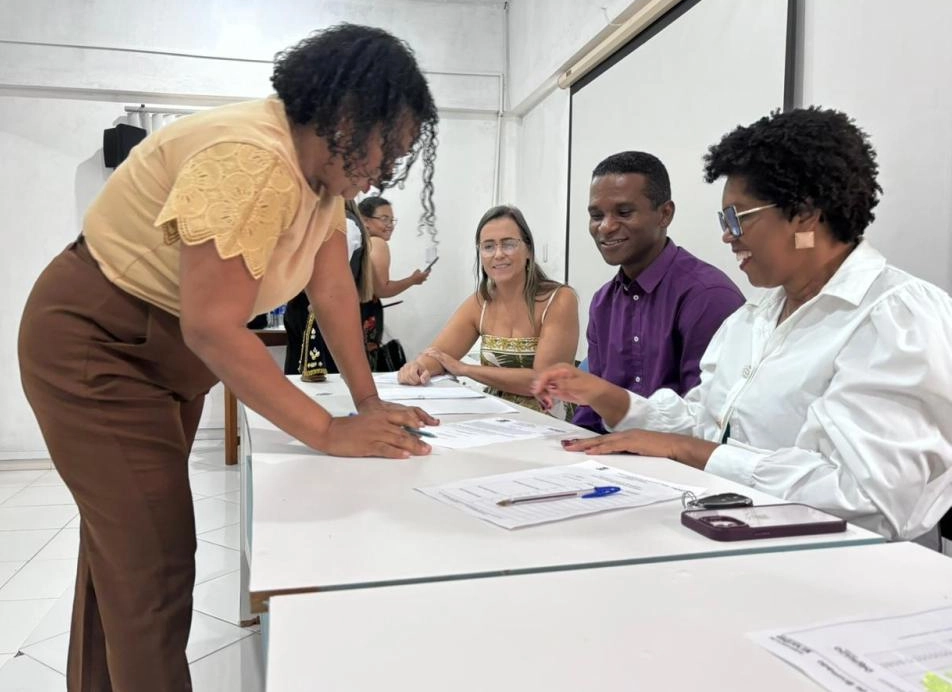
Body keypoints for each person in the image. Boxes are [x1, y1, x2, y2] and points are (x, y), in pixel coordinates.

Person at [17, 24, 440, 692]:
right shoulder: (252, 158)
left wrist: (366, 401)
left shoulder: (320, 181)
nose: (386, 167)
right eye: (386, 143)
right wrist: (328, 432)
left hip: (163, 357)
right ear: (344, 116)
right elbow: (213, 324)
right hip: (99, 342)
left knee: (123, 560)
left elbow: (332, 290)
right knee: (152, 566)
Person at [533, 107, 952, 544]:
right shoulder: (753, 318)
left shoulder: (895, 317)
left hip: (857, 570)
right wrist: (610, 399)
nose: (727, 236)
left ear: (805, 214)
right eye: (723, 221)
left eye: (737, 218)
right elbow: (708, 420)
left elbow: (871, 500)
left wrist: (694, 453)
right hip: (741, 539)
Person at [573, 151, 744, 433]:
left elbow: (707, 424)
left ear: (665, 214)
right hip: (606, 461)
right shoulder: (603, 302)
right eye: (596, 215)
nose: (605, 226)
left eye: (624, 212)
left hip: (675, 466)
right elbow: (592, 406)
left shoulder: (707, 296)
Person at [400, 205, 578, 417]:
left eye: (509, 244)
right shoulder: (480, 303)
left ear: (528, 250)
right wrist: (417, 367)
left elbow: (543, 381)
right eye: (488, 246)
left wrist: (465, 369)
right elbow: (439, 355)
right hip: (496, 416)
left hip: (550, 421)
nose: (499, 254)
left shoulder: (559, 299)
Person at [283, 199, 379, 378]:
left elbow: (332, 276)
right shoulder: (328, 223)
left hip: (317, 309)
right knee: (300, 377)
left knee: (322, 379)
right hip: (308, 306)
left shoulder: (344, 224)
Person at [361, 195, 431, 298]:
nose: (390, 225)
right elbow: (382, 290)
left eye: (391, 220)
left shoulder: (360, 242)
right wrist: (413, 280)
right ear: (365, 220)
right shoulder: (377, 243)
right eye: (384, 219)